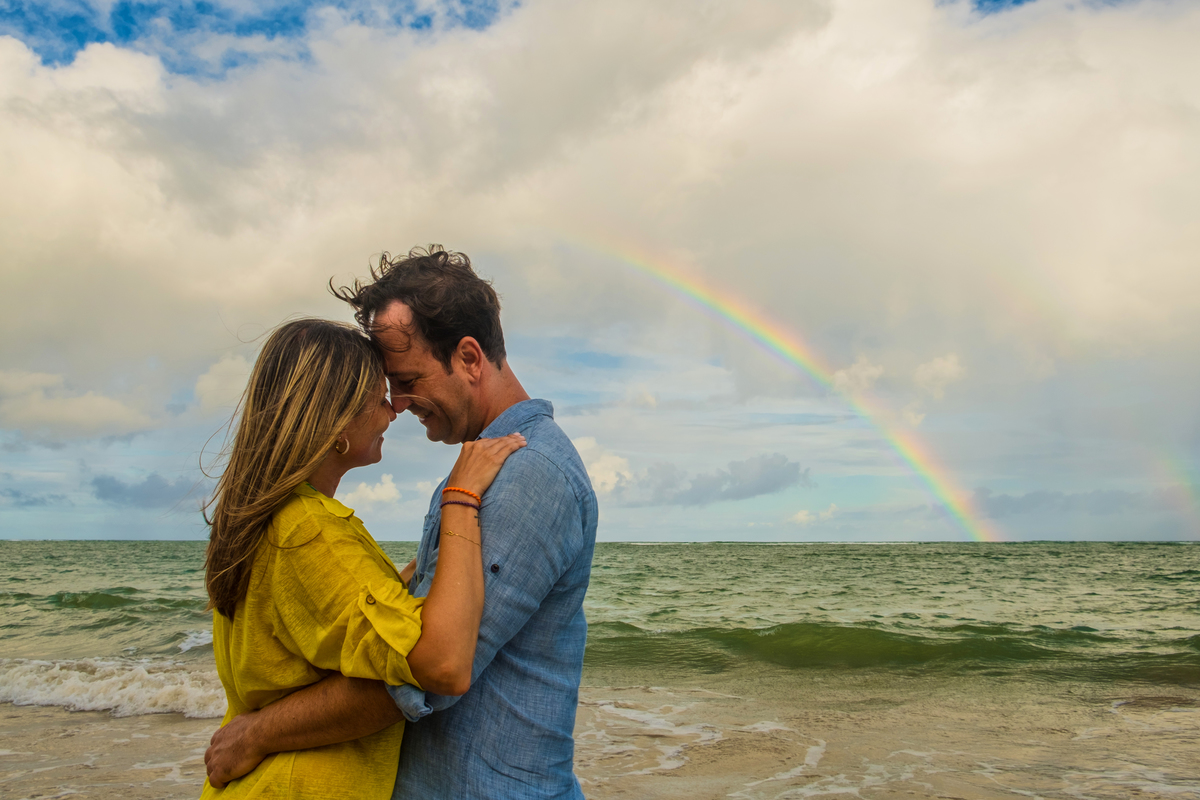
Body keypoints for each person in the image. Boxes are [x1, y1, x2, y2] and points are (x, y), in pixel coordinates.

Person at [204, 247, 599, 800]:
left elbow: (427, 673)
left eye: (407, 379)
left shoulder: (524, 472)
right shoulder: (483, 466)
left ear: (469, 357)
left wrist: (257, 733)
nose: (397, 403)